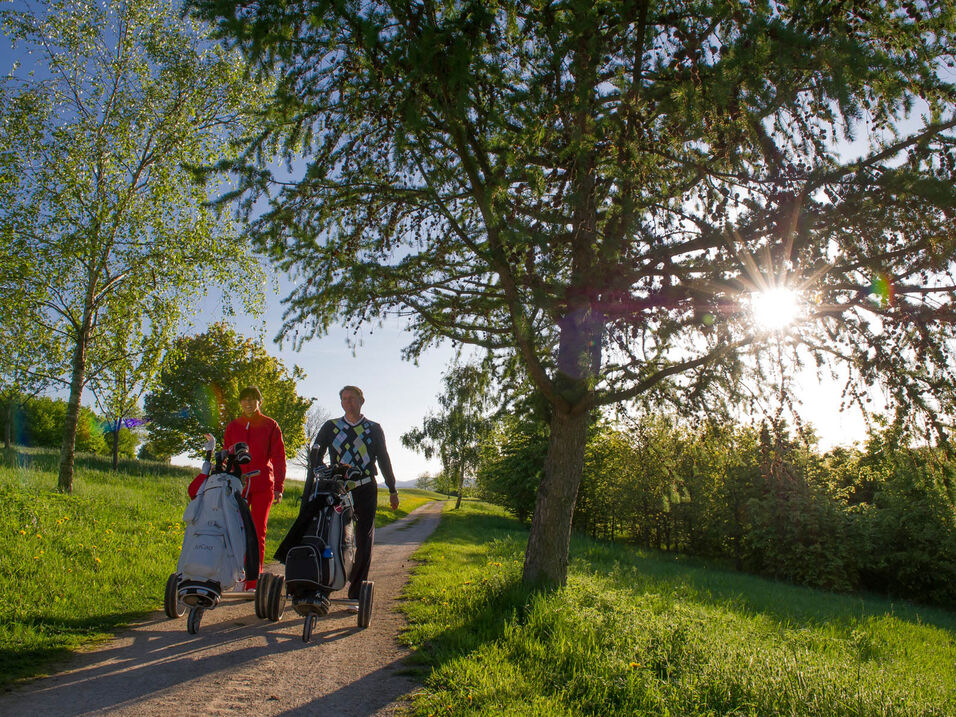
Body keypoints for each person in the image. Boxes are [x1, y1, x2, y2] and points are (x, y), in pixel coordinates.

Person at [308, 385, 399, 606]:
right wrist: (321, 471)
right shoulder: (332, 427)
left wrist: (392, 488)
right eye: (344, 399)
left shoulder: (373, 428)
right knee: (332, 534)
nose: (348, 402)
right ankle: (326, 583)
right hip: (338, 488)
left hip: (366, 487)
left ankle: (357, 590)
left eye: (352, 398)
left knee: (364, 538)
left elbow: (384, 459)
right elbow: (316, 453)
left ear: (361, 401)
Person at [224, 386, 286, 590]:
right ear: (240, 403)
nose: (248, 403)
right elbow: (226, 455)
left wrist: (279, 486)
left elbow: (278, 457)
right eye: (244, 400)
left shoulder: (270, 425)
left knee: (258, 531)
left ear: (259, 401)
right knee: (236, 530)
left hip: (262, 485)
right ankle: (236, 576)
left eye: (252, 399)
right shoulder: (233, 426)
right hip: (238, 486)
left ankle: (253, 579)